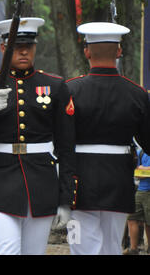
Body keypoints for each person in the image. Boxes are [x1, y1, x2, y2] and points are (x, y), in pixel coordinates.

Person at [0, 17, 77, 255]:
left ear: (35, 47)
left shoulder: (55, 86)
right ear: (3, 48)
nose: (23, 50)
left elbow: (66, 147)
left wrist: (66, 198)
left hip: (41, 184)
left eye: (28, 45)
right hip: (0, 182)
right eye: (16, 45)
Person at [66, 22, 150, 255]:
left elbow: (60, 139)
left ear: (87, 52)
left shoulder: (70, 90)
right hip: (118, 181)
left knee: (81, 247)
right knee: (112, 247)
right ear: (119, 51)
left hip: (78, 182)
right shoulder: (137, 94)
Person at [124, 149, 150, 255]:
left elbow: (140, 171)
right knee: (132, 218)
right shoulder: (141, 152)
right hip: (141, 190)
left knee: (149, 222)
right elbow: (136, 172)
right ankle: (133, 249)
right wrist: (146, 170)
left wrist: (143, 169)